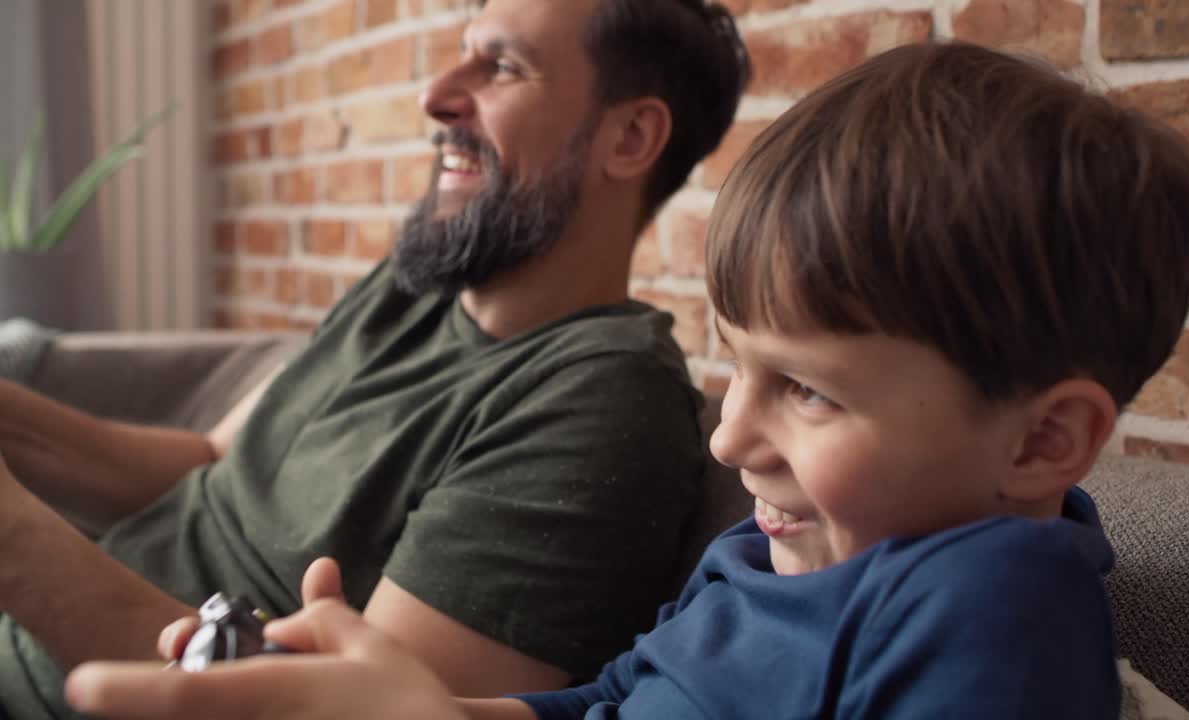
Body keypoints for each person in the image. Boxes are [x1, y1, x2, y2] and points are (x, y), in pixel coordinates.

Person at [62, 38, 1189, 719]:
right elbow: (605, 705)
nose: (727, 440)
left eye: (805, 391)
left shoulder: (988, 604)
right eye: (737, 367)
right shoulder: (756, 554)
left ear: (1044, 442)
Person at [0, 0, 750, 716]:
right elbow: (210, 458)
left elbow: (347, 711)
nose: (436, 95)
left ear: (629, 139)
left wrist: (15, 546)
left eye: (504, 67)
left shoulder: (603, 401)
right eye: (463, 55)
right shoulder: (421, 279)